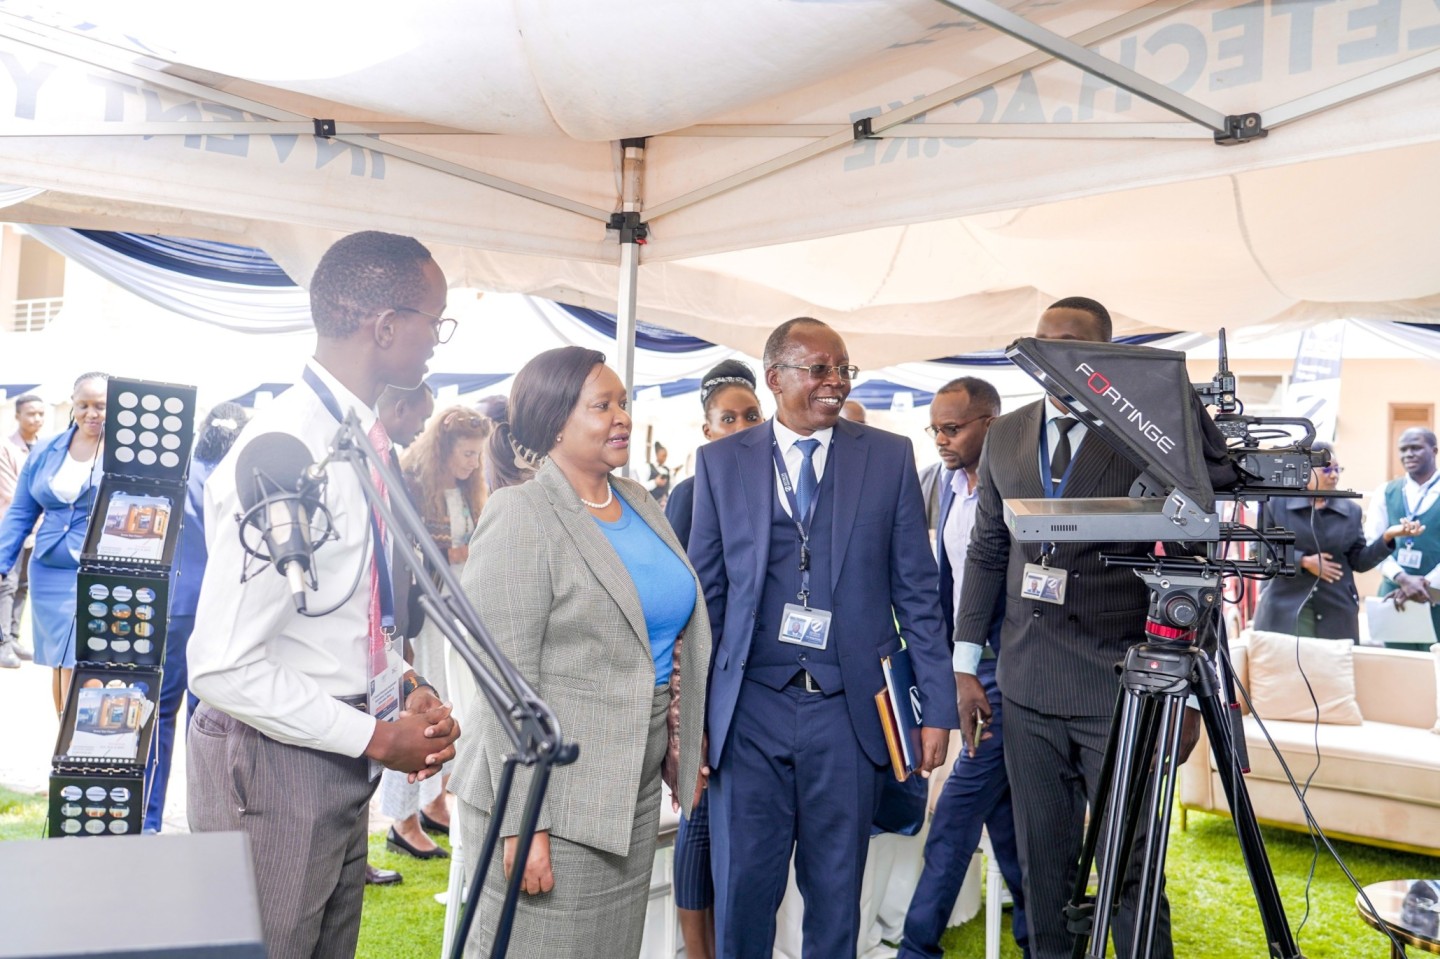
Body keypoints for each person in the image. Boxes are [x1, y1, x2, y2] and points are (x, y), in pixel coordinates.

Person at [186, 231, 461, 959]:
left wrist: (404, 688)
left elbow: (339, 613)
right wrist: (376, 736)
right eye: (436, 320)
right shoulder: (289, 448)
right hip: (277, 760)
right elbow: (220, 663)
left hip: (331, 745)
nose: (439, 339)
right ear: (385, 326)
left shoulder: (355, 437)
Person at [688, 317, 957, 958]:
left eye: (843, 370)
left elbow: (919, 595)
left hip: (850, 711)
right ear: (775, 377)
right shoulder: (720, 463)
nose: (835, 383)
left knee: (838, 895)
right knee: (743, 891)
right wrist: (692, 713)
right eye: (819, 370)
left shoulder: (888, 457)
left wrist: (936, 710)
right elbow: (707, 599)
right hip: (749, 712)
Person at [952, 296, 1198, 959]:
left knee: (1131, 872)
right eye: (1043, 342)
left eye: (1069, 344)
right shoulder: (1006, 433)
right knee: (1043, 870)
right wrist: (964, 662)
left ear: (1103, 357)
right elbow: (987, 550)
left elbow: (1187, 565)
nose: (1052, 357)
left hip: (1117, 690)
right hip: (1025, 687)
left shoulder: (1146, 432)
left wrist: (1191, 693)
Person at [451, 346, 709, 959]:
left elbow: (668, 638)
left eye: (623, 402)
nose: (621, 416)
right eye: (602, 405)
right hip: (553, 796)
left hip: (633, 786)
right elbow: (503, 683)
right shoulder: (522, 514)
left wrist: (677, 744)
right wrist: (523, 823)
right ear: (555, 421)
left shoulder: (641, 502)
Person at [900, 376, 1030, 959]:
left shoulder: (1020, 485)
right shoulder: (946, 486)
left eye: (952, 429)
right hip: (967, 668)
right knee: (1003, 824)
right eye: (935, 429)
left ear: (991, 424)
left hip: (1010, 669)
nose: (941, 440)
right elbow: (949, 584)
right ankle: (1042, 943)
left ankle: (916, 948)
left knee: (954, 816)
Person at [663, 358, 763, 959]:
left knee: (742, 830)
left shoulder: (778, 486)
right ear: (707, 429)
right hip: (706, 679)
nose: (741, 426)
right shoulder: (689, 493)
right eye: (728, 417)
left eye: (751, 415)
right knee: (700, 819)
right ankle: (697, 951)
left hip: (759, 684)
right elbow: (684, 594)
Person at [380, 404, 491, 860]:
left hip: (459, 617)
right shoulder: (410, 485)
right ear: (443, 448)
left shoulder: (470, 490)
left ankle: (432, 802)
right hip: (425, 619)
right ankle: (401, 820)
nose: (472, 464)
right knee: (417, 717)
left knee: (450, 710)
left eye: (476, 456)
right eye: (466, 454)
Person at [142, 402, 249, 833]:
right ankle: (203, 822)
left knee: (162, 713)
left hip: (177, 602)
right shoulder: (242, 472)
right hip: (222, 611)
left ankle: (149, 819)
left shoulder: (180, 472)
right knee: (208, 721)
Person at [0, 373, 107, 712]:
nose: (92, 413)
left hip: (98, 570)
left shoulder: (127, 454)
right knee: (62, 660)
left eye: (101, 405)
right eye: (83, 405)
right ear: (72, 406)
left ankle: (79, 743)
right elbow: (21, 511)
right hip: (49, 570)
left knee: (84, 660)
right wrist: (2, 563)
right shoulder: (47, 449)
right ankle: (67, 741)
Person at [368, 380, 436, 886]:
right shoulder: (374, 458)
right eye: (419, 415)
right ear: (396, 406)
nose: (422, 427)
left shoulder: (388, 458)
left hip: (392, 632)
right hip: (372, 631)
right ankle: (395, 825)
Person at [1253, 442, 1418, 640]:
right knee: (1285, 667)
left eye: (1337, 469)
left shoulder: (1351, 510)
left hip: (1335, 608)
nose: (1334, 475)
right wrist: (1303, 562)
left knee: (1331, 669)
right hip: (1286, 606)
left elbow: (1359, 561)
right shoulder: (1275, 503)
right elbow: (1260, 551)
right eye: (1327, 469)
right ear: (1305, 469)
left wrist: (1387, 537)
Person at [1366, 427, 1440, 635]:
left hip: (1437, 594)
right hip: (1394, 593)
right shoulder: (1385, 492)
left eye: (1416, 448)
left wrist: (1425, 583)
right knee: (1398, 661)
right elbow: (1372, 543)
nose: (1408, 454)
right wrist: (1403, 579)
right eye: (1403, 449)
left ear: (1434, 451)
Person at [0, 392, 45, 667]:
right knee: (7, 584)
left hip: (38, 529)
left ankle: (14, 637)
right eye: (30, 413)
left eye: (41, 413)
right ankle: (2, 642)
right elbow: (12, 493)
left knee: (24, 585)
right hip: (12, 528)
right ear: (17, 416)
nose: (36, 418)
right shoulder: (5, 448)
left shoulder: (44, 447)